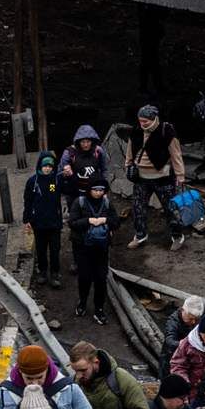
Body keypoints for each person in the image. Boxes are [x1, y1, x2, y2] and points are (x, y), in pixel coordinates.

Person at [117, 101, 183, 240]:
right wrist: (128, 165)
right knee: (138, 208)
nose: (142, 123)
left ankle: (177, 236)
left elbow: (176, 154)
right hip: (141, 177)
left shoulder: (166, 131)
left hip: (163, 177)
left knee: (171, 209)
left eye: (145, 121)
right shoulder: (136, 130)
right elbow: (130, 149)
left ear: (153, 119)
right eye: (140, 120)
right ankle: (140, 235)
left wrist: (180, 175)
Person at [71, 171, 118, 314]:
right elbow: (72, 223)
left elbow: (116, 222)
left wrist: (105, 220)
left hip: (101, 247)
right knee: (84, 277)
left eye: (101, 190)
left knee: (101, 278)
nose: (98, 193)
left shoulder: (107, 203)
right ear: (89, 189)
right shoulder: (79, 202)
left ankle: (99, 307)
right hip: (83, 247)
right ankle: (82, 302)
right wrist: (89, 221)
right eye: (95, 190)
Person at [21, 147, 67, 286]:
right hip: (38, 223)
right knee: (41, 249)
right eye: (45, 166)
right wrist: (27, 219)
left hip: (54, 222)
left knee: (55, 249)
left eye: (50, 166)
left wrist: (68, 176)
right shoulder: (32, 181)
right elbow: (28, 201)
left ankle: (54, 274)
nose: (47, 169)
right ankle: (42, 272)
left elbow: (69, 189)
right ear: (40, 166)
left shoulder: (57, 180)